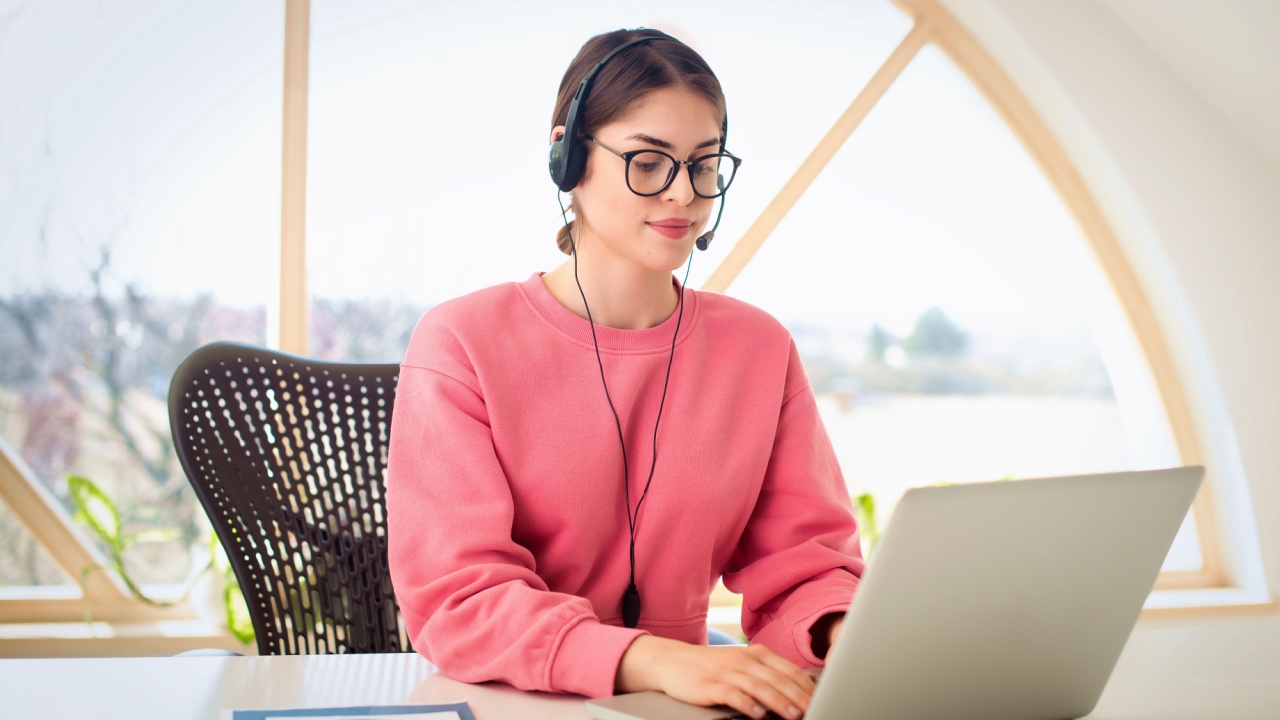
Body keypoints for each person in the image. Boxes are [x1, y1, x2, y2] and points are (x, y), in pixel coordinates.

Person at [387, 27, 864, 720]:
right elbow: (461, 597)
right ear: (569, 156)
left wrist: (843, 632)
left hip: (681, 708)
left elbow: (807, 564)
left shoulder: (759, 350)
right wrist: (655, 659)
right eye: (648, 162)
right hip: (507, 704)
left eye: (704, 164)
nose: (682, 194)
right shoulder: (461, 342)